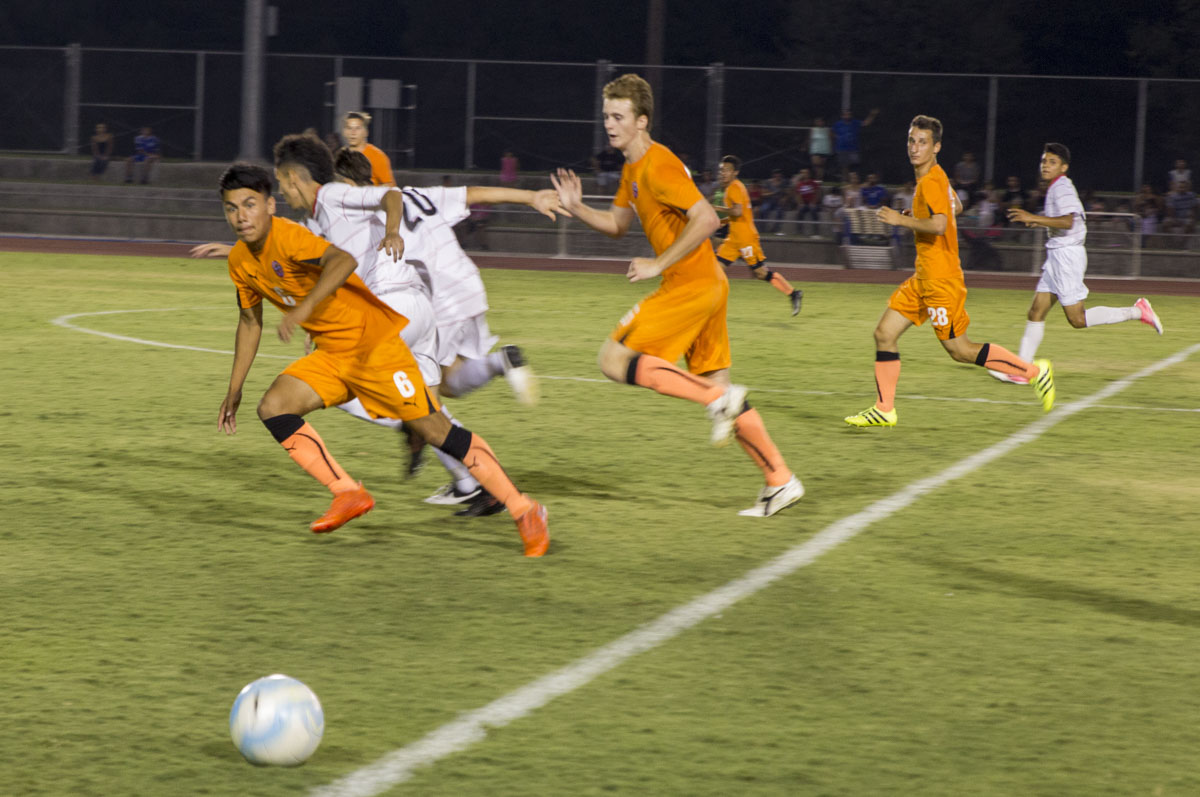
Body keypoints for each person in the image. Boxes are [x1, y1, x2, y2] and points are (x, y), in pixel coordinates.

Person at [213, 162, 548, 555]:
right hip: (334, 355)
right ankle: (348, 492)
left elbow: (343, 261)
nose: (240, 216)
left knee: (436, 430)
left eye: (249, 205)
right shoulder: (240, 261)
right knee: (274, 407)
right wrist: (233, 389)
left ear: (271, 205)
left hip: (374, 348)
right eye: (232, 208)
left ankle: (524, 509)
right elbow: (249, 322)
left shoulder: (290, 237)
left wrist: (303, 311)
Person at [550, 73, 804, 517]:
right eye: (606, 115)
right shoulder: (632, 167)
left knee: (613, 359)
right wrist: (576, 208)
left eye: (619, 116)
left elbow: (706, 218)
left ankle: (717, 402)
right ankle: (779, 479)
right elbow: (616, 225)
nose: (609, 123)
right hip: (709, 285)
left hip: (689, 284)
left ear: (642, 120)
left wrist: (657, 264)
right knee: (725, 393)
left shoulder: (659, 164)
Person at [844, 115, 1056, 428]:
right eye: (912, 141)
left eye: (923, 142)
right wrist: (914, 212)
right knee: (884, 334)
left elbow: (941, 223)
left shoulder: (931, 180)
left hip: (941, 280)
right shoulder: (935, 177)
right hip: (923, 277)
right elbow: (954, 207)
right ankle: (884, 409)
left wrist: (901, 220)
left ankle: (1034, 372)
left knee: (960, 350)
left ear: (936, 146)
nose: (915, 148)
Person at [990, 143, 1164, 382]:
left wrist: (1033, 217)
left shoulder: (1062, 187)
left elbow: (1068, 221)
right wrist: (1039, 222)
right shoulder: (1054, 188)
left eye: (1052, 162)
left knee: (1077, 319)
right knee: (1036, 312)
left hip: (1066, 257)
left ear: (1064, 167)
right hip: (1057, 257)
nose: (1046, 165)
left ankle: (1138, 311)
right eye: (1043, 161)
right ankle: (1023, 370)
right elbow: (1062, 221)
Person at [711, 155, 803, 315]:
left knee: (760, 273)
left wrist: (716, 209)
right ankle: (711, 305)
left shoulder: (735, 187)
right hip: (733, 239)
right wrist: (723, 222)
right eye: (721, 170)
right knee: (715, 268)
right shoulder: (730, 189)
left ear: (735, 172)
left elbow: (738, 211)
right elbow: (739, 214)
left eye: (726, 170)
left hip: (746, 239)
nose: (722, 173)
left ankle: (793, 293)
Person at [341, 112, 395, 187]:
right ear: (344, 132)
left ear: (366, 132)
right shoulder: (340, 155)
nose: (353, 133)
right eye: (349, 128)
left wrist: (366, 191)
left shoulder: (377, 156)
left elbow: (390, 186)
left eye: (357, 128)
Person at [832, 108, 878, 181]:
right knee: (844, 166)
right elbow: (833, 133)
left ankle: (854, 180)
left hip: (853, 148)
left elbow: (866, 123)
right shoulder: (838, 124)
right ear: (842, 116)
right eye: (845, 115)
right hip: (841, 148)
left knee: (854, 166)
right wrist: (837, 140)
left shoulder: (855, 123)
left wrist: (872, 115)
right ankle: (845, 181)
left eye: (849, 114)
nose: (847, 116)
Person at [807, 117, 832, 181]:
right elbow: (809, 139)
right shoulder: (813, 129)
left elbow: (831, 139)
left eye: (820, 121)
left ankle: (819, 179)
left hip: (824, 149)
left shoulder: (827, 129)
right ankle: (817, 178)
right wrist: (808, 147)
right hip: (815, 149)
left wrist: (831, 148)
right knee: (816, 164)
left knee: (821, 166)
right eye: (817, 121)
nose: (819, 123)